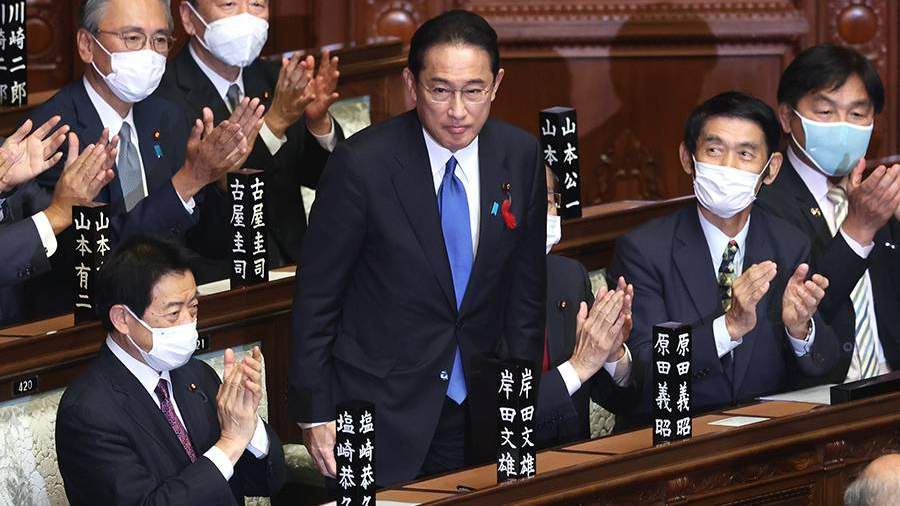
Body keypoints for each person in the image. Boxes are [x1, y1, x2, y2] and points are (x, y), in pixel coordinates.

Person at [291, 10, 546, 486]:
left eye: (473, 91)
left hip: (483, 405)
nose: (458, 111)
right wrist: (315, 412)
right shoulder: (362, 165)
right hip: (380, 407)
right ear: (412, 84)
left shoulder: (520, 155)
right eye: (440, 90)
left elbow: (526, 294)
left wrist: (519, 398)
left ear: (496, 85)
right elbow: (317, 297)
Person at [608, 92, 840, 427]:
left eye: (745, 154)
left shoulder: (789, 244)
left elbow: (825, 363)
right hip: (676, 439)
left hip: (766, 435)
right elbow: (641, 372)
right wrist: (728, 328)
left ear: (771, 169)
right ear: (687, 158)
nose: (729, 166)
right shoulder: (643, 250)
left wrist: (800, 329)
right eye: (714, 151)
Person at [23, 0, 264, 318]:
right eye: (133, 38)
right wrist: (186, 183)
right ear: (86, 45)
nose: (149, 53)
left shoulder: (168, 117)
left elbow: (210, 246)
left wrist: (220, 179)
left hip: (175, 312)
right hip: (85, 321)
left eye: (159, 39)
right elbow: (96, 264)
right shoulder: (52, 134)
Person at [56, 235, 285, 505]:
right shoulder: (88, 412)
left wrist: (249, 425)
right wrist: (229, 444)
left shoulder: (197, 375)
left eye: (193, 309)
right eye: (174, 314)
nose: (188, 324)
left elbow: (264, 482)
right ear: (122, 319)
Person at [157, 0, 344, 270]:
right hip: (220, 275)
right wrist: (274, 124)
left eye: (257, 4)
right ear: (188, 17)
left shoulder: (275, 77)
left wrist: (318, 123)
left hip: (296, 268)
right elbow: (204, 216)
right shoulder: (164, 97)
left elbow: (322, 178)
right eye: (229, 4)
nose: (246, 17)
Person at [756, 44, 900, 384]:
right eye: (825, 112)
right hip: (821, 396)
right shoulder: (763, 202)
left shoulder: (881, 191)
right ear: (787, 118)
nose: (843, 126)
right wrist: (857, 231)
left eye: (857, 114)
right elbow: (788, 315)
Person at [535, 168, 635, 448]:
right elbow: (497, 417)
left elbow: (618, 401)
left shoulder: (568, 276)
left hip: (577, 461)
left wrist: (612, 354)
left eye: (546, 201)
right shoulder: (469, 290)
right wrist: (578, 367)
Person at [0, 119, 116, 324]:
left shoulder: (6, 153)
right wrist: (59, 214)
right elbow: (55, 215)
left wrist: (79, 192)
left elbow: (39, 207)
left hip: (21, 324)